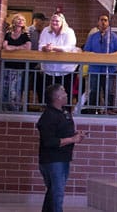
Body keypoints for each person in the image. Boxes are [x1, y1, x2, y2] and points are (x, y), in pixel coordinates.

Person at [37, 84, 88, 212]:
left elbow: (63, 132)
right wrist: (72, 140)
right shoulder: (48, 116)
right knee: (57, 193)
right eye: (63, 91)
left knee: (53, 191)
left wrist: (76, 134)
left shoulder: (64, 112)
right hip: (52, 160)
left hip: (63, 158)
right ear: (57, 97)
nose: (66, 94)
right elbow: (49, 142)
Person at [83, 13, 117, 114]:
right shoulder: (92, 37)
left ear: (108, 23)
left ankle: (108, 110)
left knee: (108, 91)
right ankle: (92, 110)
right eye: (101, 20)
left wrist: (110, 56)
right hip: (95, 69)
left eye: (105, 20)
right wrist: (93, 55)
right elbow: (86, 51)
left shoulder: (113, 37)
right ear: (98, 22)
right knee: (94, 91)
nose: (103, 22)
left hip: (109, 69)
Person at [37, 13, 79, 107]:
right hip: (49, 69)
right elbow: (40, 46)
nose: (54, 22)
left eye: (57, 21)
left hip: (65, 70)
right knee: (49, 93)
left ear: (62, 22)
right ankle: (48, 111)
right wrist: (45, 48)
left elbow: (69, 48)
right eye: (52, 20)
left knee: (65, 92)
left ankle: (65, 111)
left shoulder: (69, 32)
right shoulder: (45, 30)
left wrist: (53, 48)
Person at [1, 13, 32, 111]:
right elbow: (5, 46)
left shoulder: (25, 35)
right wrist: (19, 48)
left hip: (19, 66)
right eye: (18, 19)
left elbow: (27, 47)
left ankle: (15, 108)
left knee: (15, 89)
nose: (20, 21)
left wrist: (12, 48)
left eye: (22, 20)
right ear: (14, 21)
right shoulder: (8, 33)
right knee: (6, 88)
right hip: (7, 65)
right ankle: (5, 107)